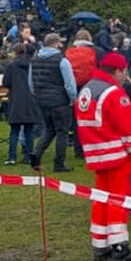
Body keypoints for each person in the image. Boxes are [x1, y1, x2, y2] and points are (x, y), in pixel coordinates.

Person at [75, 53, 131, 261]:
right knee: (119, 200)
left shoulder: (87, 89)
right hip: (117, 155)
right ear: (118, 70)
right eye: (124, 72)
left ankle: (100, 245)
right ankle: (120, 246)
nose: (125, 77)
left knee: (101, 199)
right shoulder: (113, 92)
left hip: (97, 153)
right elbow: (127, 126)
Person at [29, 34, 77, 173]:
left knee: (49, 129)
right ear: (55, 43)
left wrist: (37, 95)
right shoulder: (62, 60)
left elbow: (31, 83)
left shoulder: (35, 60)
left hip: (42, 100)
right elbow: (69, 84)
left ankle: (36, 154)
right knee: (62, 131)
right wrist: (72, 99)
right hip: (59, 101)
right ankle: (59, 163)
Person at [3, 43, 41, 165]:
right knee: (29, 131)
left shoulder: (11, 66)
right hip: (31, 100)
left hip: (16, 100)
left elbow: (6, 82)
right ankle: (29, 155)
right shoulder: (32, 64)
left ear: (15, 52)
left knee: (14, 130)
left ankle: (12, 157)